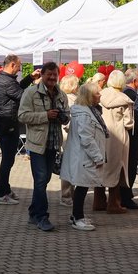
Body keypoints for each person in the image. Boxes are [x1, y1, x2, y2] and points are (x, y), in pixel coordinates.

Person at [17, 62, 69, 231]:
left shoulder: (61, 95)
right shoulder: (31, 92)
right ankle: (42, 217)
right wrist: (45, 115)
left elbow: (67, 116)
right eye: (49, 75)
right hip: (37, 143)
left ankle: (33, 211)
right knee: (40, 180)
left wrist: (63, 117)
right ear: (42, 75)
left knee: (44, 179)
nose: (53, 78)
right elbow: (22, 116)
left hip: (54, 143)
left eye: (55, 75)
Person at [59, 82, 107, 231]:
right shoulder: (85, 114)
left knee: (83, 186)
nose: (100, 95)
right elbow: (87, 138)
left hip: (83, 157)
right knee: (82, 186)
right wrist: (98, 157)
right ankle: (77, 217)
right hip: (84, 157)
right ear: (89, 96)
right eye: (97, 93)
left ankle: (77, 215)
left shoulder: (88, 111)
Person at [0, 55, 39, 205]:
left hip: (5, 122)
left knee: (8, 159)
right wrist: (37, 87)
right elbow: (22, 95)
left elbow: (18, 88)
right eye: (19, 66)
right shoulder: (6, 81)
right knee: (7, 160)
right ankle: (1, 194)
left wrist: (30, 77)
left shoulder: (3, 78)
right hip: (8, 124)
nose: (20, 69)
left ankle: (5, 189)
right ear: (12, 65)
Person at [96, 70, 135, 214]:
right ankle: (114, 203)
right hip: (117, 137)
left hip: (101, 135)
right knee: (117, 167)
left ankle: (98, 201)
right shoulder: (124, 99)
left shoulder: (100, 94)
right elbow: (129, 123)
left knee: (101, 166)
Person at [122, 68, 138, 210]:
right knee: (130, 166)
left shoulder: (124, 93)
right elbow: (135, 116)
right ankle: (126, 197)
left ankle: (125, 196)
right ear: (135, 81)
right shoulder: (131, 95)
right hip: (132, 137)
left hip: (126, 136)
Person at [58, 74, 80, 206]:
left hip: (67, 135)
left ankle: (69, 194)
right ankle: (67, 195)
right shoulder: (70, 99)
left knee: (69, 165)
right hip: (69, 135)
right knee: (69, 166)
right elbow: (67, 120)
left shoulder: (63, 97)